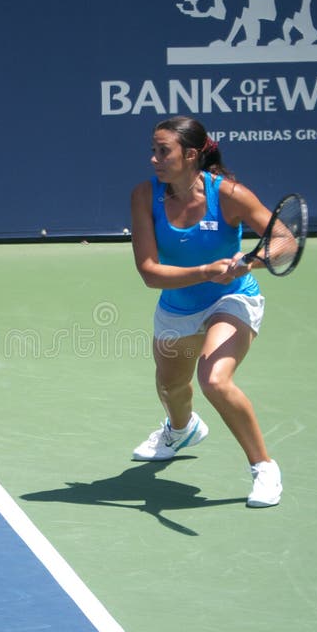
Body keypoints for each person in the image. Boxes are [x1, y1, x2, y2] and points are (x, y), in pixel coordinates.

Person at [129, 115, 282, 508]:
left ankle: (263, 466)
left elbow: (284, 239)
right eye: (153, 150)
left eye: (163, 151)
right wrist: (205, 271)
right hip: (177, 307)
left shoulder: (229, 194)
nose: (154, 159)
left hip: (232, 299)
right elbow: (149, 273)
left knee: (214, 379)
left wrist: (254, 261)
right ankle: (181, 429)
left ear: (191, 154)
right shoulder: (145, 197)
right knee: (170, 387)